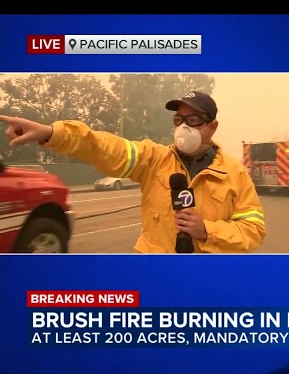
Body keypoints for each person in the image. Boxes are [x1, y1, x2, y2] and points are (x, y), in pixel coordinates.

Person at [0, 91, 266, 254]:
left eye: (193, 120)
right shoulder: (154, 159)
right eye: (178, 119)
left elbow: (253, 230)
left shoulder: (235, 173)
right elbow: (104, 147)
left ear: (213, 126)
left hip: (208, 283)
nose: (183, 126)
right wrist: (52, 133)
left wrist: (206, 230)